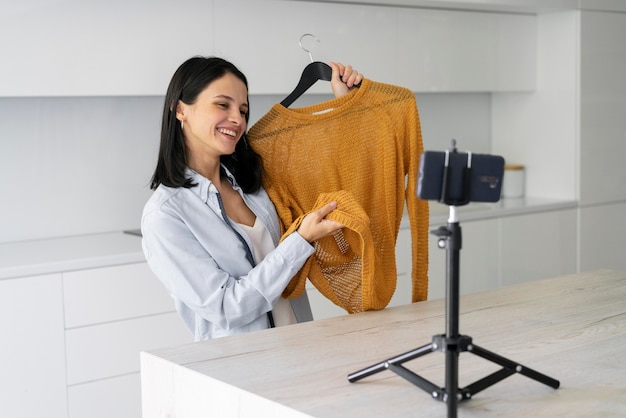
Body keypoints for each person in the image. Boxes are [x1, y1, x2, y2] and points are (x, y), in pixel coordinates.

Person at [142, 56, 363, 341]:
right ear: (180, 109)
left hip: (300, 348)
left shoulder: (256, 182)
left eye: (243, 110)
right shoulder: (165, 215)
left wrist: (344, 105)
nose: (237, 119)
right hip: (243, 369)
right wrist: (300, 241)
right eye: (223, 105)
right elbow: (227, 307)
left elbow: (333, 178)